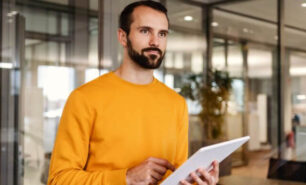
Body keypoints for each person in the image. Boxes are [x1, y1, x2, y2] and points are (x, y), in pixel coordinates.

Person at [47, 1, 219, 185]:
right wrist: (126, 178)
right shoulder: (84, 98)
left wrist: (198, 182)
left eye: (162, 33)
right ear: (123, 37)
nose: (155, 41)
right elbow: (59, 179)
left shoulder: (176, 103)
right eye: (145, 31)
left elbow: (176, 176)